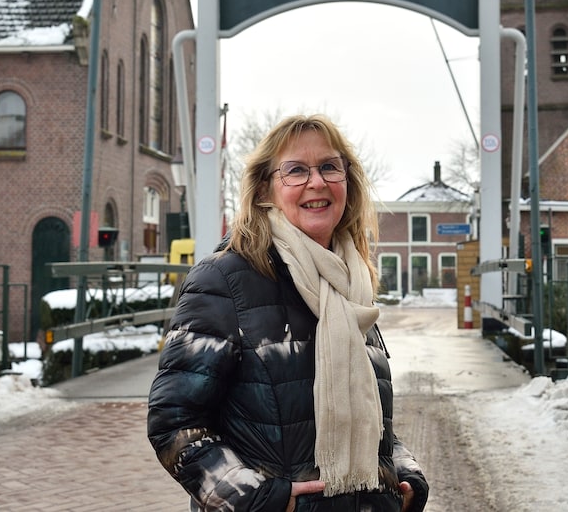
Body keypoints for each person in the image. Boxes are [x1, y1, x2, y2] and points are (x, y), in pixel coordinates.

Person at [147, 115, 428, 512]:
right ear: (265, 189)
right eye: (296, 170)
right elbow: (175, 423)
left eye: (330, 166)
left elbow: (371, 420)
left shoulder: (352, 284)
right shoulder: (224, 279)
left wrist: (406, 476)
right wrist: (263, 501)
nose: (317, 182)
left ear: (348, 181)